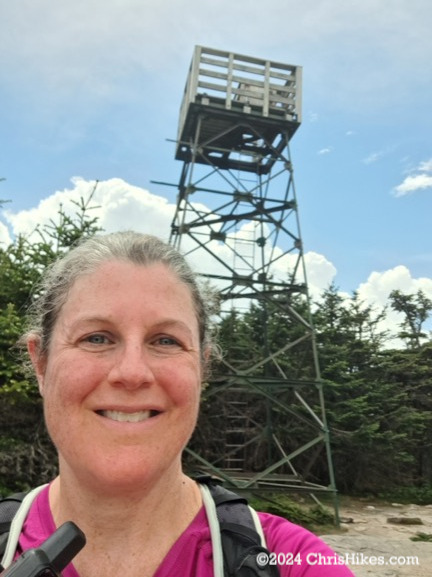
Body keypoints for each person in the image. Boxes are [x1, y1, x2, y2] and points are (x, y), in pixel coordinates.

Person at [9, 231, 355, 576]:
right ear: (41, 363)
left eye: (166, 341)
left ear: (202, 368)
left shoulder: (294, 562)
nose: (132, 372)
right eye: (96, 338)